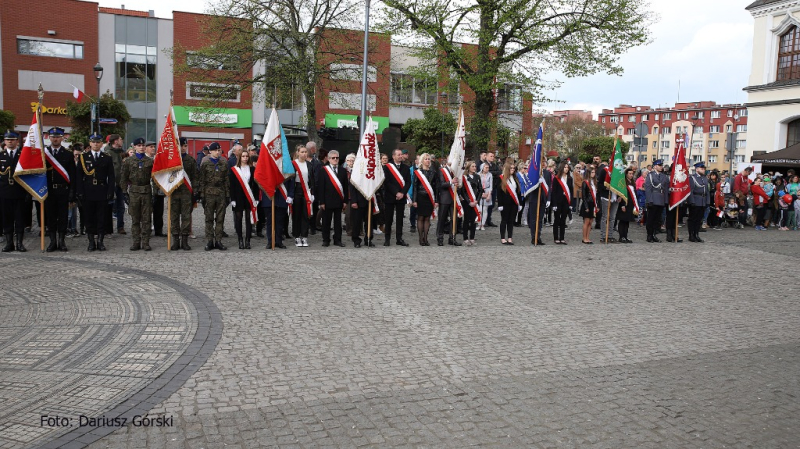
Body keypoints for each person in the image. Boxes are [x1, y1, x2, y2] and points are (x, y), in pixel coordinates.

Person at [74, 133, 115, 251]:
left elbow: (111, 176)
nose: (95, 144)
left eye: (98, 142)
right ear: (90, 143)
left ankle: (100, 241)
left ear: (102, 143)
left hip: (102, 190)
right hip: (88, 190)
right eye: (93, 142)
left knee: (102, 217)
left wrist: (110, 191)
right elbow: (79, 176)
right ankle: (91, 241)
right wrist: (80, 191)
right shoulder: (83, 157)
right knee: (89, 217)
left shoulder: (106, 157)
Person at [119, 137, 154, 251]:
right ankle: (136, 241)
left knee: (146, 218)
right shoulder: (128, 161)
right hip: (134, 191)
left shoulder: (150, 161)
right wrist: (124, 192)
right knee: (135, 218)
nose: (142, 147)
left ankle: (145, 242)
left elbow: (155, 177)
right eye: (139, 145)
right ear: (134, 147)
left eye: (143, 145)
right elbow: (123, 177)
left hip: (146, 191)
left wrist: (155, 193)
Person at [44, 127, 75, 252]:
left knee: (63, 217)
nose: (55, 139)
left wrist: (72, 192)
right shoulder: (44, 153)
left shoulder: (67, 154)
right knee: (50, 217)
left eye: (57, 137)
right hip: (48, 190)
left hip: (63, 190)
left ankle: (61, 241)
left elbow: (72, 174)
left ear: (62, 138)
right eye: (53, 136)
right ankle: (52, 242)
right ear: (49, 138)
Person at [197, 142, 230, 250]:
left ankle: (219, 240)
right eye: (215, 150)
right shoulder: (205, 163)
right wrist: (202, 195)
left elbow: (226, 180)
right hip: (209, 193)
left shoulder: (224, 163)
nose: (217, 152)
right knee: (209, 218)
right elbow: (201, 180)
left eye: (219, 150)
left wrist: (227, 195)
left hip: (220, 193)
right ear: (210, 151)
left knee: (220, 218)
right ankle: (210, 240)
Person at [316, 149, 349, 247]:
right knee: (326, 221)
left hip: (339, 200)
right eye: (333, 158)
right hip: (327, 200)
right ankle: (326, 240)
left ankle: (337, 240)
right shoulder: (323, 170)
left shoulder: (343, 171)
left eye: (337, 158)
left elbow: (345, 187)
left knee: (338, 222)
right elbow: (320, 187)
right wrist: (322, 202)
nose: (335, 159)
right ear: (329, 159)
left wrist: (345, 201)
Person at [0, 131, 26, 252]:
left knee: (20, 218)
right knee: (7, 218)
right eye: (7, 139)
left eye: (12, 139)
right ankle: (9, 243)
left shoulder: (23, 156)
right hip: (5, 192)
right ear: (4, 141)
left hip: (19, 192)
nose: (10, 141)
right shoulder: (1, 156)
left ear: (17, 141)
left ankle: (20, 243)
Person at [170, 137, 197, 250]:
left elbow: (195, 177)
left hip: (186, 192)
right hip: (174, 192)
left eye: (185, 146)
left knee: (186, 217)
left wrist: (195, 192)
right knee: (174, 217)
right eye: (180, 146)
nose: (183, 148)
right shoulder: (172, 160)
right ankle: (176, 240)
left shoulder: (191, 160)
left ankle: (185, 240)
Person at [229, 148, 258, 249]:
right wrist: (232, 199)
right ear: (239, 157)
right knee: (238, 218)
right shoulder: (234, 170)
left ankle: (248, 240)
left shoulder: (252, 169)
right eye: (243, 156)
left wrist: (257, 198)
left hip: (249, 197)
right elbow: (231, 185)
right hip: (238, 197)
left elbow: (255, 185)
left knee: (248, 219)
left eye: (247, 156)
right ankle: (240, 239)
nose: (245, 158)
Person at [382, 148, 411, 246]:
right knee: (388, 219)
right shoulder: (387, 167)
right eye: (398, 155)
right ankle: (387, 239)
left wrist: (402, 193)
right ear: (393, 156)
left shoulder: (406, 168)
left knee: (400, 219)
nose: (400, 156)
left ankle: (399, 238)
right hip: (390, 196)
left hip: (401, 197)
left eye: (401, 155)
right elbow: (387, 182)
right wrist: (396, 193)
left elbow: (408, 182)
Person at [412, 153, 437, 246]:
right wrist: (414, 200)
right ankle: (420, 238)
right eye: (426, 159)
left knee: (427, 218)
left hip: (429, 197)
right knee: (420, 217)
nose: (428, 160)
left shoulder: (433, 172)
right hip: (420, 197)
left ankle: (425, 238)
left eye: (429, 159)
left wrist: (436, 200)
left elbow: (435, 187)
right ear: (422, 161)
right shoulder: (418, 172)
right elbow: (415, 187)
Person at [291, 145, 314, 247]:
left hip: (306, 191)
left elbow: (312, 180)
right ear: (297, 153)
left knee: (306, 214)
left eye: (305, 152)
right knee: (296, 215)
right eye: (302, 152)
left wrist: (312, 193)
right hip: (296, 190)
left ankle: (304, 236)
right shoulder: (293, 164)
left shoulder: (309, 165)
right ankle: (297, 236)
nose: (304, 154)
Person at [262, 177, 294, 249]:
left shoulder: (286, 166)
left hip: (282, 197)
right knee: (269, 222)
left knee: (280, 222)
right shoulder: (267, 166)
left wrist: (290, 195)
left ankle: (279, 241)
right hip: (269, 198)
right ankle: (270, 241)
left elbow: (291, 181)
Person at [526, 154, 551, 246]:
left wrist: (548, 199)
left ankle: (538, 236)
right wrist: (537, 182)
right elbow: (530, 185)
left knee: (540, 219)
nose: (544, 164)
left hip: (543, 199)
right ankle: (534, 237)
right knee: (533, 219)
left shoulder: (547, 173)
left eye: (545, 162)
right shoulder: (534, 173)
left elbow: (549, 187)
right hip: (534, 198)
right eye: (542, 162)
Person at [104, 133, 126, 235]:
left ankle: (120, 226)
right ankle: (108, 227)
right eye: (121, 139)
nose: (122, 141)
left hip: (121, 183)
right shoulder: (108, 153)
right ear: (116, 141)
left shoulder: (121, 152)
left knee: (121, 206)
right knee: (109, 205)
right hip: (111, 183)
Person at [435, 164, 461, 246]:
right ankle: (440, 238)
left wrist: (458, 185)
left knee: (454, 219)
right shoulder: (442, 171)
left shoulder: (456, 172)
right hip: (444, 198)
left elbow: (459, 185)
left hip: (454, 198)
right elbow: (441, 185)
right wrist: (451, 182)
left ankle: (452, 238)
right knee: (442, 219)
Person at [497, 162, 521, 245]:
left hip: (514, 203)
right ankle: (503, 238)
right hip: (505, 203)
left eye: (514, 168)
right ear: (507, 169)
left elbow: (518, 191)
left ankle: (510, 237)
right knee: (504, 220)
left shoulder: (515, 178)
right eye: (511, 168)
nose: (513, 170)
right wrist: (500, 204)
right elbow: (499, 193)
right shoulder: (501, 178)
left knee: (511, 221)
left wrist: (519, 203)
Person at [645, 159, 668, 242]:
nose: (661, 167)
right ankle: (649, 235)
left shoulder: (663, 176)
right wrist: (649, 200)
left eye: (661, 165)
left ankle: (654, 234)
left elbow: (665, 189)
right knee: (651, 218)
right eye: (659, 165)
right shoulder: (650, 176)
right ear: (655, 166)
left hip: (661, 199)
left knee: (657, 219)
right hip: (653, 199)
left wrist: (665, 201)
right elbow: (648, 189)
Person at [551, 161, 573, 244]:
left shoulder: (570, 179)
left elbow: (570, 191)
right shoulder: (557, 178)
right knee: (557, 220)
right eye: (565, 167)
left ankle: (562, 237)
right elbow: (554, 191)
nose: (566, 169)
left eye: (567, 167)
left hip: (566, 201)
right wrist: (554, 204)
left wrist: (571, 204)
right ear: (561, 168)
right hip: (558, 201)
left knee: (563, 220)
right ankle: (556, 237)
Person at [687, 162, 709, 243]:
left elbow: (707, 191)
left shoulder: (705, 178)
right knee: (693, 219)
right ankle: (691, 235)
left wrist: (707, 201)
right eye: (701, 169)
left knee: (699, 219)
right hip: (695, 200)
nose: (703, 170)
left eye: (704, 169)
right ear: (696, 169)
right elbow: (690, 191)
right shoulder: (692, 178)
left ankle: (696, 234)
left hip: (703, 200)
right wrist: (691, 201)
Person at [461, 161, 482, 246]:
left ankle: (472, 237)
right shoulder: (464, 177)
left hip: (475, 201)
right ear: (468, 167)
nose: (474, 168)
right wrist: (469, 201)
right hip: (467, 202)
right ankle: (465, 238)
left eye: (475, 166)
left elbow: (480, 189)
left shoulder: (477, 176)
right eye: (472, 166)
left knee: (474, 220)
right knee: (466, 220)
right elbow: (463, 191)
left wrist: (477, 200)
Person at [617, 168, 639, 243]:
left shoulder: (632, 182)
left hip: (630, 204)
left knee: (627, 221)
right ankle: (621, 236)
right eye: (630, 174)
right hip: (624, 203)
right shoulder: (623, 182)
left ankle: (625, 236)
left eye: (632, 174)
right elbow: (621, 194)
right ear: (626, 174)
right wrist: (622, 205)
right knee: (622, 220)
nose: (631, 175)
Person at [579, 165, 598, 244]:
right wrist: (586, 207)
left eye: (594, 172)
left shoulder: (594, 182)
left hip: (593, 204)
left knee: (591, 222)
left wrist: (597, 205)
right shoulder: (585, 182)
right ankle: (584, 238)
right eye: (592, 172)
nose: (594, 174)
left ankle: (588, 237)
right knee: (586, 222)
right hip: (587, 204)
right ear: (589, 173)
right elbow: (583, 196)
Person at [478, 162, 492, 230]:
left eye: (488, 167)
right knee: (479, 209)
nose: (487, 169)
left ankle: (483, 224)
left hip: (487, 191)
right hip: (480, 192)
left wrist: (489, 195)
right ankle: (479, 223)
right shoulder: (478, 174)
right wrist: (480, 193)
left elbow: (490, 186)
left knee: (485, 209)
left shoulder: (490, 175)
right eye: (486, 167)